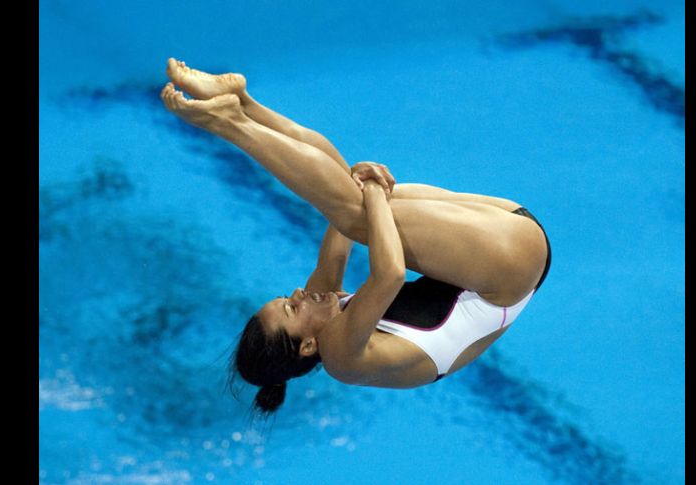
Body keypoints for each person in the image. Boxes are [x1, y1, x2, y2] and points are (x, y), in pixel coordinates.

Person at [160, 59, 551, 416]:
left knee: (350, 204)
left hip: (506, 243)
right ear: (308, 346)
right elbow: (389, 275)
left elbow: (340, 199)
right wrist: (374, 193)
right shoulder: (342, 357)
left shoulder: (322, 307)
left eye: (286, 298)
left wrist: (361, 186)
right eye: (292, 309)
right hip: (508, 268)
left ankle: (243, 104)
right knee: (356, 213)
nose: (298, 294)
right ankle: (229, 122)